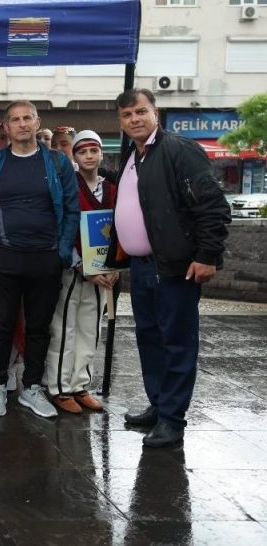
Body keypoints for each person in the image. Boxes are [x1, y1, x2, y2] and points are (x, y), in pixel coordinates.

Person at [107, 89, 230, 448]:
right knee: (149, 339)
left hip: (175, 268)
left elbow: (213, 206)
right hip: (142, 267)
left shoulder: (180, 150)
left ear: (155, 112)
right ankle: (160, 405)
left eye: (140, 111)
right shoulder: (134, 154)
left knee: (177, 343)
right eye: (127, 114)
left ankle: (173, 419)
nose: (134, 119)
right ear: (120, 121)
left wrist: (207, 255)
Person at [0, 100, 79, 419]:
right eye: (15, 119)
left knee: (38, 326)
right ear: (6, 127)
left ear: (37, 122)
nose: (22, 124)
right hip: (1, 256)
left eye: (27, 118)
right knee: (1, 324)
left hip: (45, 257)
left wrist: (62, 251)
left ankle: (31, 387)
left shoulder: (57, 163)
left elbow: (71, 209)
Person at [45, 130, 119, 414]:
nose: (89, 156)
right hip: (73, 268)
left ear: (101, 153)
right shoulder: (68, 186)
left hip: (103, 272)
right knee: (64, 328)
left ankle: (80, 384)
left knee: (91, 328)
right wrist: (79, 264)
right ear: (74, 155)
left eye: (93, 150)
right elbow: (61, 227)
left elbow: (120, 228)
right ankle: (59, 386)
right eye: (82, 151)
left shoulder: (112, 189)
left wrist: (115, 265)